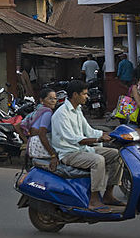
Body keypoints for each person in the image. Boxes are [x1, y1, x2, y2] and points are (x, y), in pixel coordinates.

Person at [50, 79, 124, 211]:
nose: (87, 97)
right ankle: (94, 199)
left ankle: (108, 194)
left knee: (116, 155)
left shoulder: (77, 109)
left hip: (83, 149)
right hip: (69, 153)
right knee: (98, 161)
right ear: (75, 95)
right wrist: (98, 139)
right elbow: (74, 139)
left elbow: (89, 131)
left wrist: (109, 133)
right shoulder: (62, 114)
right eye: (84, 94)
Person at [21, 87, 58, 172]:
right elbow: (42, 134)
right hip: (40, 145)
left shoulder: (39, 110)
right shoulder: (47, 112)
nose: (53, 101)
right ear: (42, 100)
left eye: (55, 99)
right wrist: (53, 155)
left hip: (33, 143)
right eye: (50, 98)